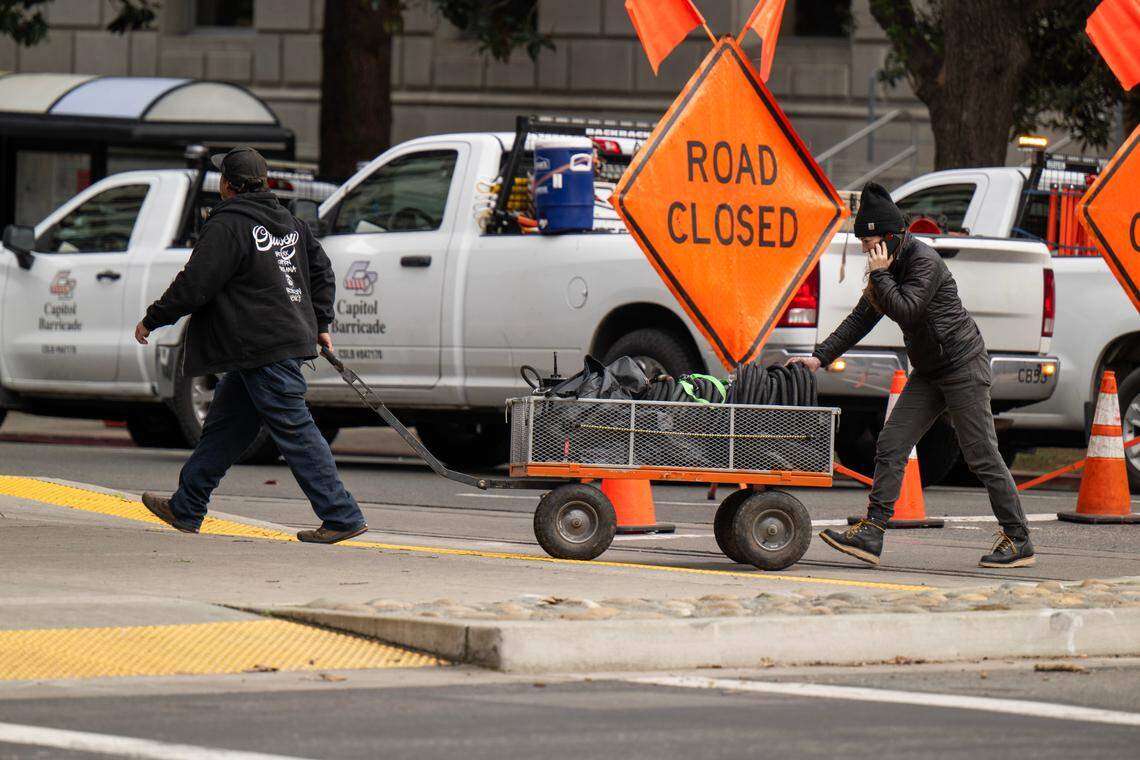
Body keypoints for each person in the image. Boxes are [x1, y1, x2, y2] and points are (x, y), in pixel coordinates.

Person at [788, 182, 1033, 568]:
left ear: (891, 238)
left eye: (870, 243)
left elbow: (908, 310)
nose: (866, 251)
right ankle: (872, 532)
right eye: (863, 244)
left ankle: (1018, 539)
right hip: (929, 371)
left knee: (981, 455)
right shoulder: (885, 267)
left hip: (963, 366)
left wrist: (882, 276)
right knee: (891, 443)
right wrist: (818, 358)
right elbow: (861, 319)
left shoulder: (923, 262)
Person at [135, 147, 368, 544]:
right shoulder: (292, 223)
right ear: (264, 181)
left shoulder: (227, 225)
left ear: (226, 184)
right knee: (225, 428)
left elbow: (196, 283)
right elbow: (322, 271)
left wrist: (154, 318)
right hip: (271, 342)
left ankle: (341, 514)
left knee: (295, 429)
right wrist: (321, 321)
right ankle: (187, 506)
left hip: (261, 345)